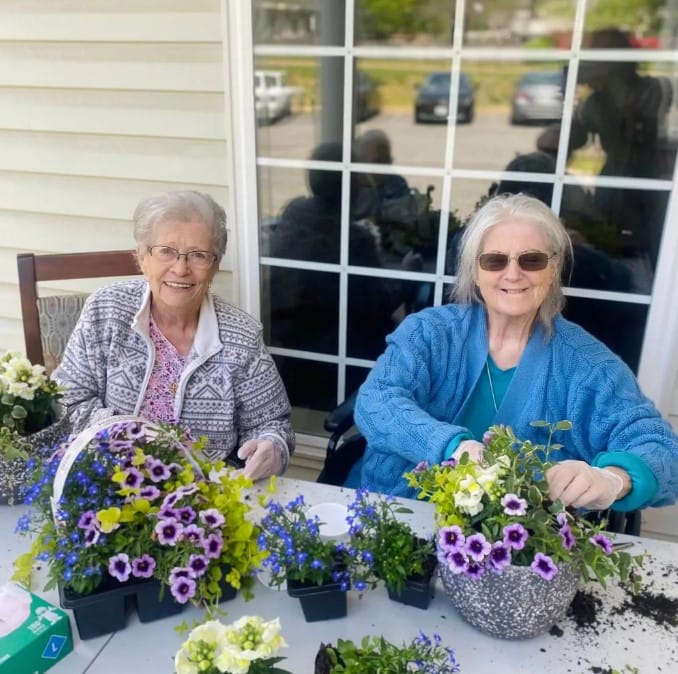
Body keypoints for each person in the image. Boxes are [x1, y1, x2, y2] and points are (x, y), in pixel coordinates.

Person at [349, 193, 678, 514]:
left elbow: (661, 449)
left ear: (553, 268)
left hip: (518, 543)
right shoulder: (428, 333)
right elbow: (376, 400)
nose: (513, 273)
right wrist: (451, 447)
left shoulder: (588, 365)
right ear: (475, 272)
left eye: (531, 260)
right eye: (495, 260)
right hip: (398, 513)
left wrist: (614, 479)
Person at [54, 190, 294, 481]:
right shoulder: (106, 311)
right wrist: (133, 437)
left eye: (198, 255)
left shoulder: (241, 336)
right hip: (109, 480)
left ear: (214, 266)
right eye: (166, 251)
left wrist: (272, 447)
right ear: (142, 257)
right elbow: (66, 399)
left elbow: (273, 423)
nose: (181, 269)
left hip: (207, 493)